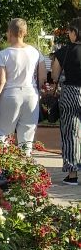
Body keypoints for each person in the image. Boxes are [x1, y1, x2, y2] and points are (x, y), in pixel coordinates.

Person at [0, 18, 46, 154]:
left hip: (10, 94)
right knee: (26, 138)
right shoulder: (35, 52)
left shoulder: (4, 54)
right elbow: (43, 77)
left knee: (2, 134)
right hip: (31, 94)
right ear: (25, 32)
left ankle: (0, 169)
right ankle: (25, 169)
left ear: (10, 32)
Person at [51, 19, 81, 184]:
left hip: (70, 93)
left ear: (75, 33)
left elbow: (54, 76)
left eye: (70, 32)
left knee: (71, 134)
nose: (68, 34)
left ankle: (72, 175)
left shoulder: (64, 52)